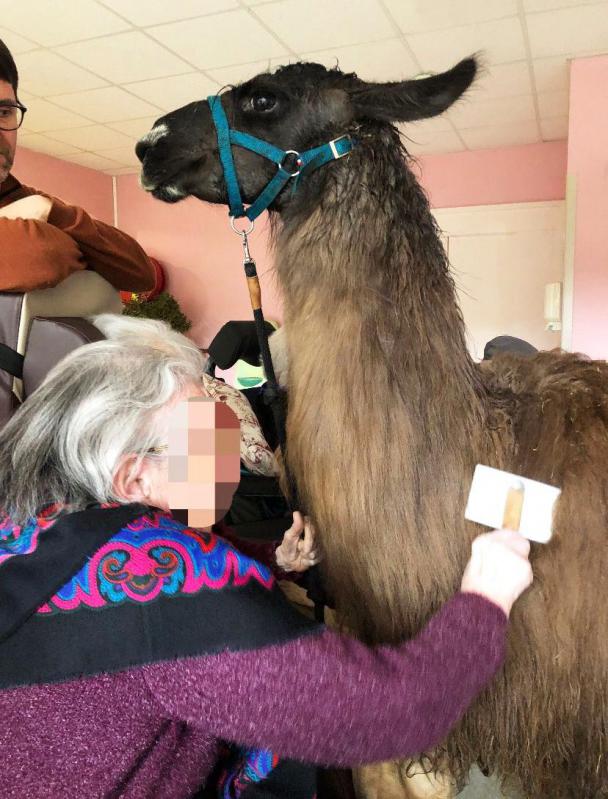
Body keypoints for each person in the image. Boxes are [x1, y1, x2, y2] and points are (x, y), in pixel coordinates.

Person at [0, 315, 532, 798]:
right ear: (133, 478)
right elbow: (393, 713)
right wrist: (484, 598)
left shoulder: (30, 521)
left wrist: (276, 558)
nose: (224, 454)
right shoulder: (160, 577)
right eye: (202, 441)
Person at [0, 38, 155, 293]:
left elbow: (140, 272)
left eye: (4, 112)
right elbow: (41, 257)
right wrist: (75, 247)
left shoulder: (25, 199)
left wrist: (51, 211)